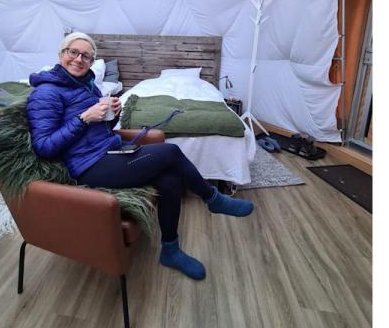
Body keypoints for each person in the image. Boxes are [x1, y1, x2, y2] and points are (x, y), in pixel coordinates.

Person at [26, 32, 254, 280]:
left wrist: (112, 115)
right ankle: (212, 199)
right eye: (73, 52)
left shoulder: (87, 86)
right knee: (171, 151)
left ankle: (170, 249)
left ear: (92, 62)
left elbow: (96, 131)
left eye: (86, 56)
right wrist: (84, 118)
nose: (79, 59)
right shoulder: (46, 93)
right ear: (61, 54)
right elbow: (44, 146)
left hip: (107, 152)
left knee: (170, 179)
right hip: (86, 167)